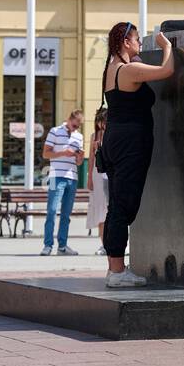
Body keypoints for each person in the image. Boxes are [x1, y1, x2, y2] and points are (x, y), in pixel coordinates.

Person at [102, 22, 174, 289]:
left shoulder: (112, 68)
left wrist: (138, 57)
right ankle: (119, 271)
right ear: (126, 42)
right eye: (137, 41)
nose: (140, 45)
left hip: (114, 139)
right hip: (131, 141)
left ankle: (114, 268)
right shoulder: (129, 70)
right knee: (125, 205)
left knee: (116, 205)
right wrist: (166, 47)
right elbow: (167, 70)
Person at [40, 109, 85, 257]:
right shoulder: (55, 131)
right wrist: (63, 153)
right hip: (54, 176)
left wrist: (79, 158)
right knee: (51, 211)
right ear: (69, 119)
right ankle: (47, 245)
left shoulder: (79, 137)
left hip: (72, 177)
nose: (76, 128)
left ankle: (63, 246)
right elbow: (45, 153)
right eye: (74, 125)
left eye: (79, 126)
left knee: (66, 214)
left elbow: (77, 163)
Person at [86, 107, 109, 255]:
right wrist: (89, 177)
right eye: (101, 121)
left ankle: (115, 244)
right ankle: (104, 244)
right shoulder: (94, 136)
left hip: (111, 174)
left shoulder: (113, 135)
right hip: (98, 174)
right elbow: (91, 159)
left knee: (111, 210)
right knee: (101, 211)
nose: (103, 124)